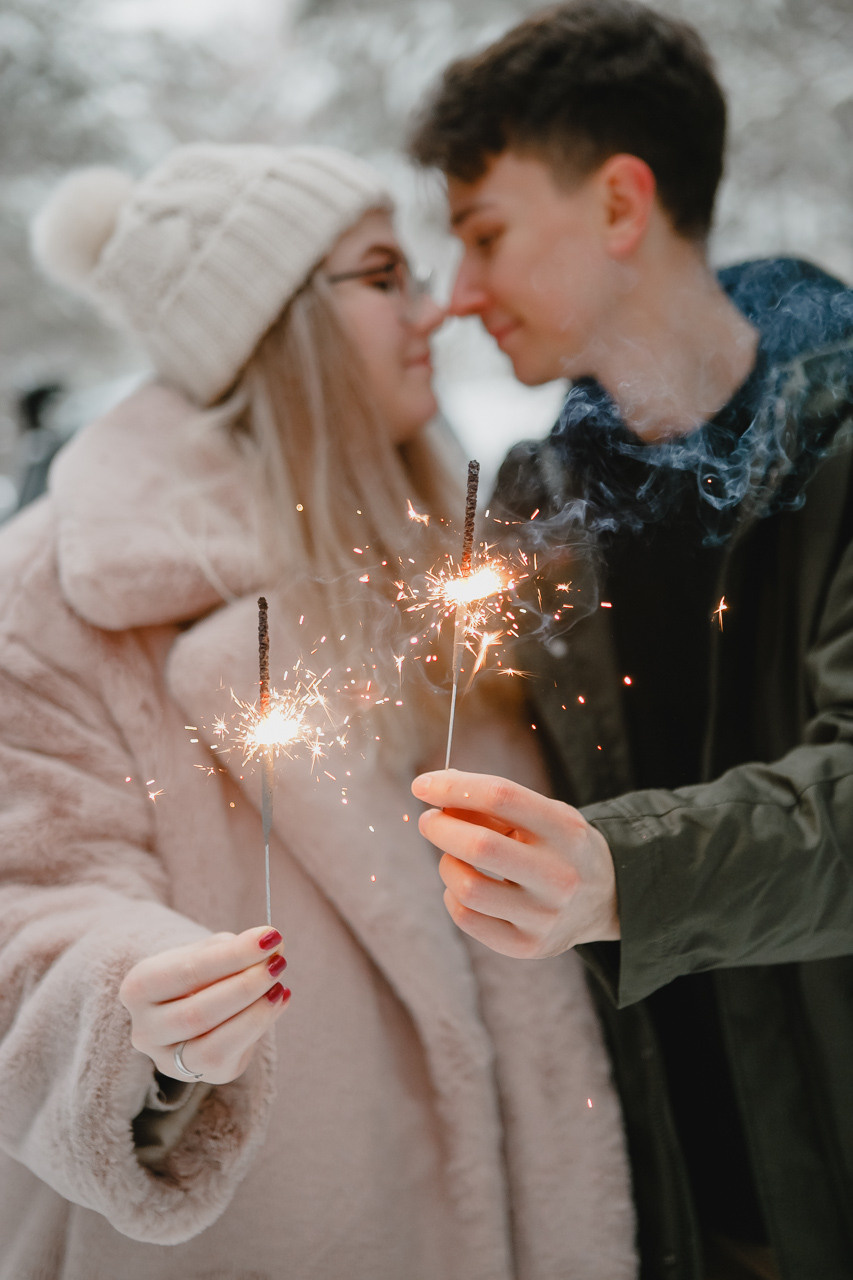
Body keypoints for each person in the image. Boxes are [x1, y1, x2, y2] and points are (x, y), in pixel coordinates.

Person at [0, 143, 637, 1279]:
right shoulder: (59, 589)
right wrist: (135, 1008)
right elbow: (32, 896)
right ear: (278, 316)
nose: (435, 308)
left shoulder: (439, 560)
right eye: (386, 274)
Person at [406, 3, 853, 1279]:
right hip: (675, 1208)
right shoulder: (539, 508)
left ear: (618, 204)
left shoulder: (841, 447)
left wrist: (620, 872)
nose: (458, 298)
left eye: (483, 235)